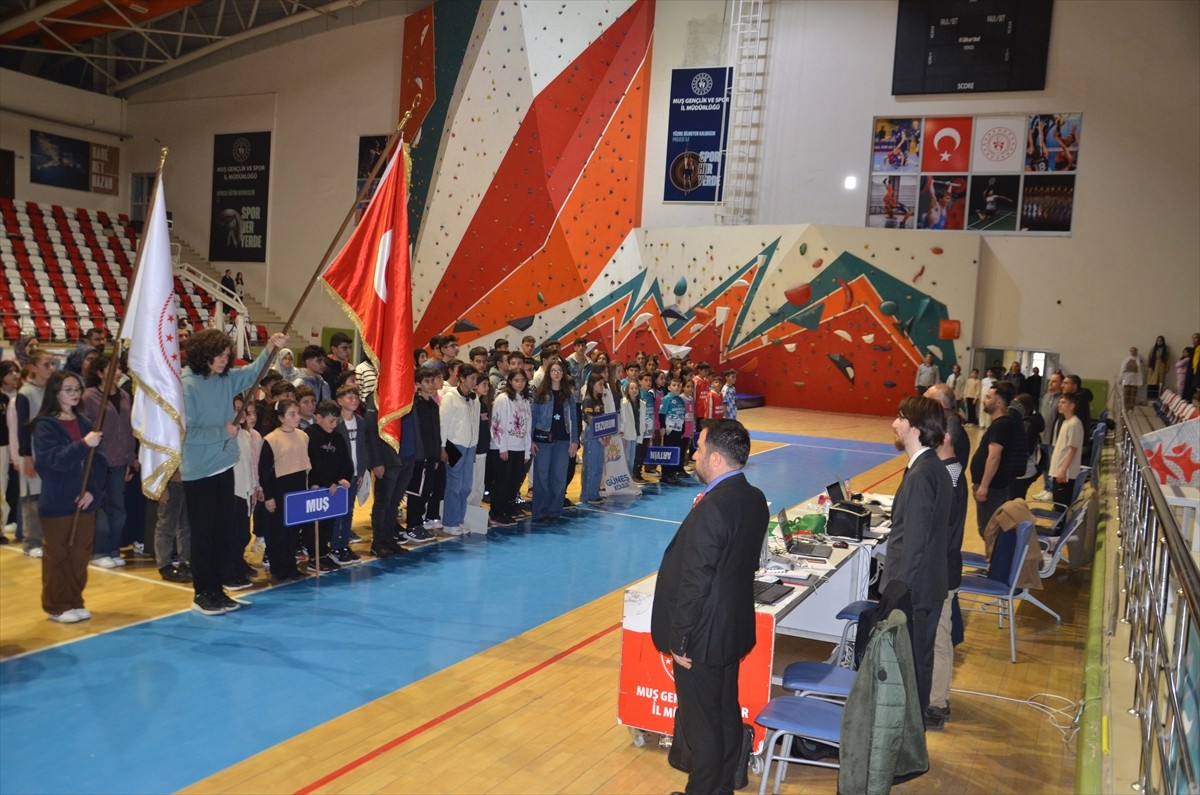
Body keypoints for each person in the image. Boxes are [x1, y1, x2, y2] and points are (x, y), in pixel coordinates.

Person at [650, 419, 768, 795]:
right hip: (729, 626)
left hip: (701, 634)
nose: (694, 455)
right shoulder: (751, 497)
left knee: (702, 724)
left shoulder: (715, 506)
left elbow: (696, 579)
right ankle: (722, 787)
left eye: (699, 449)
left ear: (716, 458)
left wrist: (680, 638)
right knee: (724, 711)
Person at [181, 328, 287, 615]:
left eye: (227, 356)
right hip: (199, 471)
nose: (223, 360)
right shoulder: (186, 384)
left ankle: (217, 589)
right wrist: (222, 432)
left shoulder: (226, 379)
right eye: (218, 355)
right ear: (204, 354)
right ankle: (202, 592)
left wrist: (270, 348)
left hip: (224, 466)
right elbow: (184, 433)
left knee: (222, 533)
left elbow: (253, 373)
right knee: (203, 535)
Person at [882, 396, 951, 712]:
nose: (894, 423)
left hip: (915, 591)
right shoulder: (931, 468)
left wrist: (898, 595)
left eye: (900, 417)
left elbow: (915, 543)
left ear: (916, 427)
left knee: (910, 669)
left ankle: (906, 740)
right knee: (917, 666)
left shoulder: (922, 474)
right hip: (925, 586)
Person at [33, 370, 106, 623]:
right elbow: (52, 462)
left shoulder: (85, 422)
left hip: (84, 501)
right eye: (68, 390)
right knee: (58, 554)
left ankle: (75, 599)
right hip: (58, 501)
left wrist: (92, 491)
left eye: (77, 389)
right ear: (56, 393)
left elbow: (98, 462)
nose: (75, 394)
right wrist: (83, 445)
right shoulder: (45, 425)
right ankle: (56, 605)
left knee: (80, 553)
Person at [80, 354, 136, 569]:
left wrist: (131, 459)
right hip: (98, 460)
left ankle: (114, 548)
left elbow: (129, 430)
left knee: (118, 507)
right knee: (98, 506)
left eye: (119, 368)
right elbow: (84, 429)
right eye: (111, 368)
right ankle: (99, 550)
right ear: (100, 373)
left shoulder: (123, 396)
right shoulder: (90, 397)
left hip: (120, 461)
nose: (118, 372)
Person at [259, 400, 309, 583]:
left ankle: (291, 566)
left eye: (297, 413)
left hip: (298, 488)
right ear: (281, 417)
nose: (297, 417)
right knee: (277, 532)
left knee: (293, 531)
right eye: (292, 414)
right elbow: (264, 471)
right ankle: (278, 568)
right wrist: (269, 496)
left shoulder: (303, 436)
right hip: (280, 490)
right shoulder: (271, 439)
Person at [970, 382, 1025, 538]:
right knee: (989, 528)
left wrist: (984, 486)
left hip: (992, 488)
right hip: (992, 486)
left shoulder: (1001, 425)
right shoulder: (1000, 424)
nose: (983, 400)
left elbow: (994, 457)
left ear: (999, 402)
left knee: (989, 529)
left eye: (988, 397)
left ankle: (994, 561)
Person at [304, 400, 351, 571]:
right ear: (318, 418)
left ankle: (324, 553)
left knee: (328, 523)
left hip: (333, 488)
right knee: (314, 524)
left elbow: (345, 461)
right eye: (330, 420)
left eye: (336, 420)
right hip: (317, 487)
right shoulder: (309, 434)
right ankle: (313, 557)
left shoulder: (337, 436)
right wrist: (323, 483)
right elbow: (311, 462)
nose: (334, 424)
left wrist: (343, 478)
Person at [530, 360, 578, 524]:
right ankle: (539, 512)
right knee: (541, 476)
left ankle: (554, 512)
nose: (556, 373)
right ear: (548, 373)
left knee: (558, 477)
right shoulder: (540, 393)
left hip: (563, 441)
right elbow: (533, 417)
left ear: (563, 374)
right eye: (553, 370)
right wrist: (530, 440)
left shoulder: (568, 395)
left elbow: (574, 418)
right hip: (543, 440)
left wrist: (574, 441)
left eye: (559, 370)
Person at [440, 363, 481, 536]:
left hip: (470, 446)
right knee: (454, 486)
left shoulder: (475, 399)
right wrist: (442, 447)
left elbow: (476, 424)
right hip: (454, 445)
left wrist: (475, 445)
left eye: (476, 379)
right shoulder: (450, 397)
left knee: (466, 487)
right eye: (471, 379)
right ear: (462, 378)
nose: (474, 382)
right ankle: (449, 522)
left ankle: (459, 520)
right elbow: (443, 423)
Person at [490, 368, 531, 526]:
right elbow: (497, 423)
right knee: (502, 481)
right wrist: (502, 447)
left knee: (514, 481)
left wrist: (527, 449)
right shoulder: (503, 398)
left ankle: (507, 508)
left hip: (519, 447)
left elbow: (527, 426)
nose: (519, 383)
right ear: (510, 382)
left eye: (522, 380)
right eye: (516, 380)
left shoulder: (525, 400)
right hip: (504, 448)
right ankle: (496, 512)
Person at [1050, 393, 1084, 509]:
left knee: (1061, 507)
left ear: (1072, 406)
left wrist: (1063, 470)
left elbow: (1073, 449)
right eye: (1059, 402)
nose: (1059, 405)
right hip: (1060, 470)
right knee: (1057, 504)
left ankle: (1060, 527)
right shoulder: (1066, 422)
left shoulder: (1074, 424)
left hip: (1065, 474)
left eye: (1063, 402)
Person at [580, 372, 608, 504]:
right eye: (600, 384)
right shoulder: (588, 400)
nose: (602, 386)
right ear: (592, 384)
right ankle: (587, 495)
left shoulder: (599, 399)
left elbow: (603, 418)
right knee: (590, 465)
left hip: (600, 433)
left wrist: (605, 434)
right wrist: (600, 434)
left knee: (598, 465)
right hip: (592, 433)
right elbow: (590, 419)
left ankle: (594, 492)